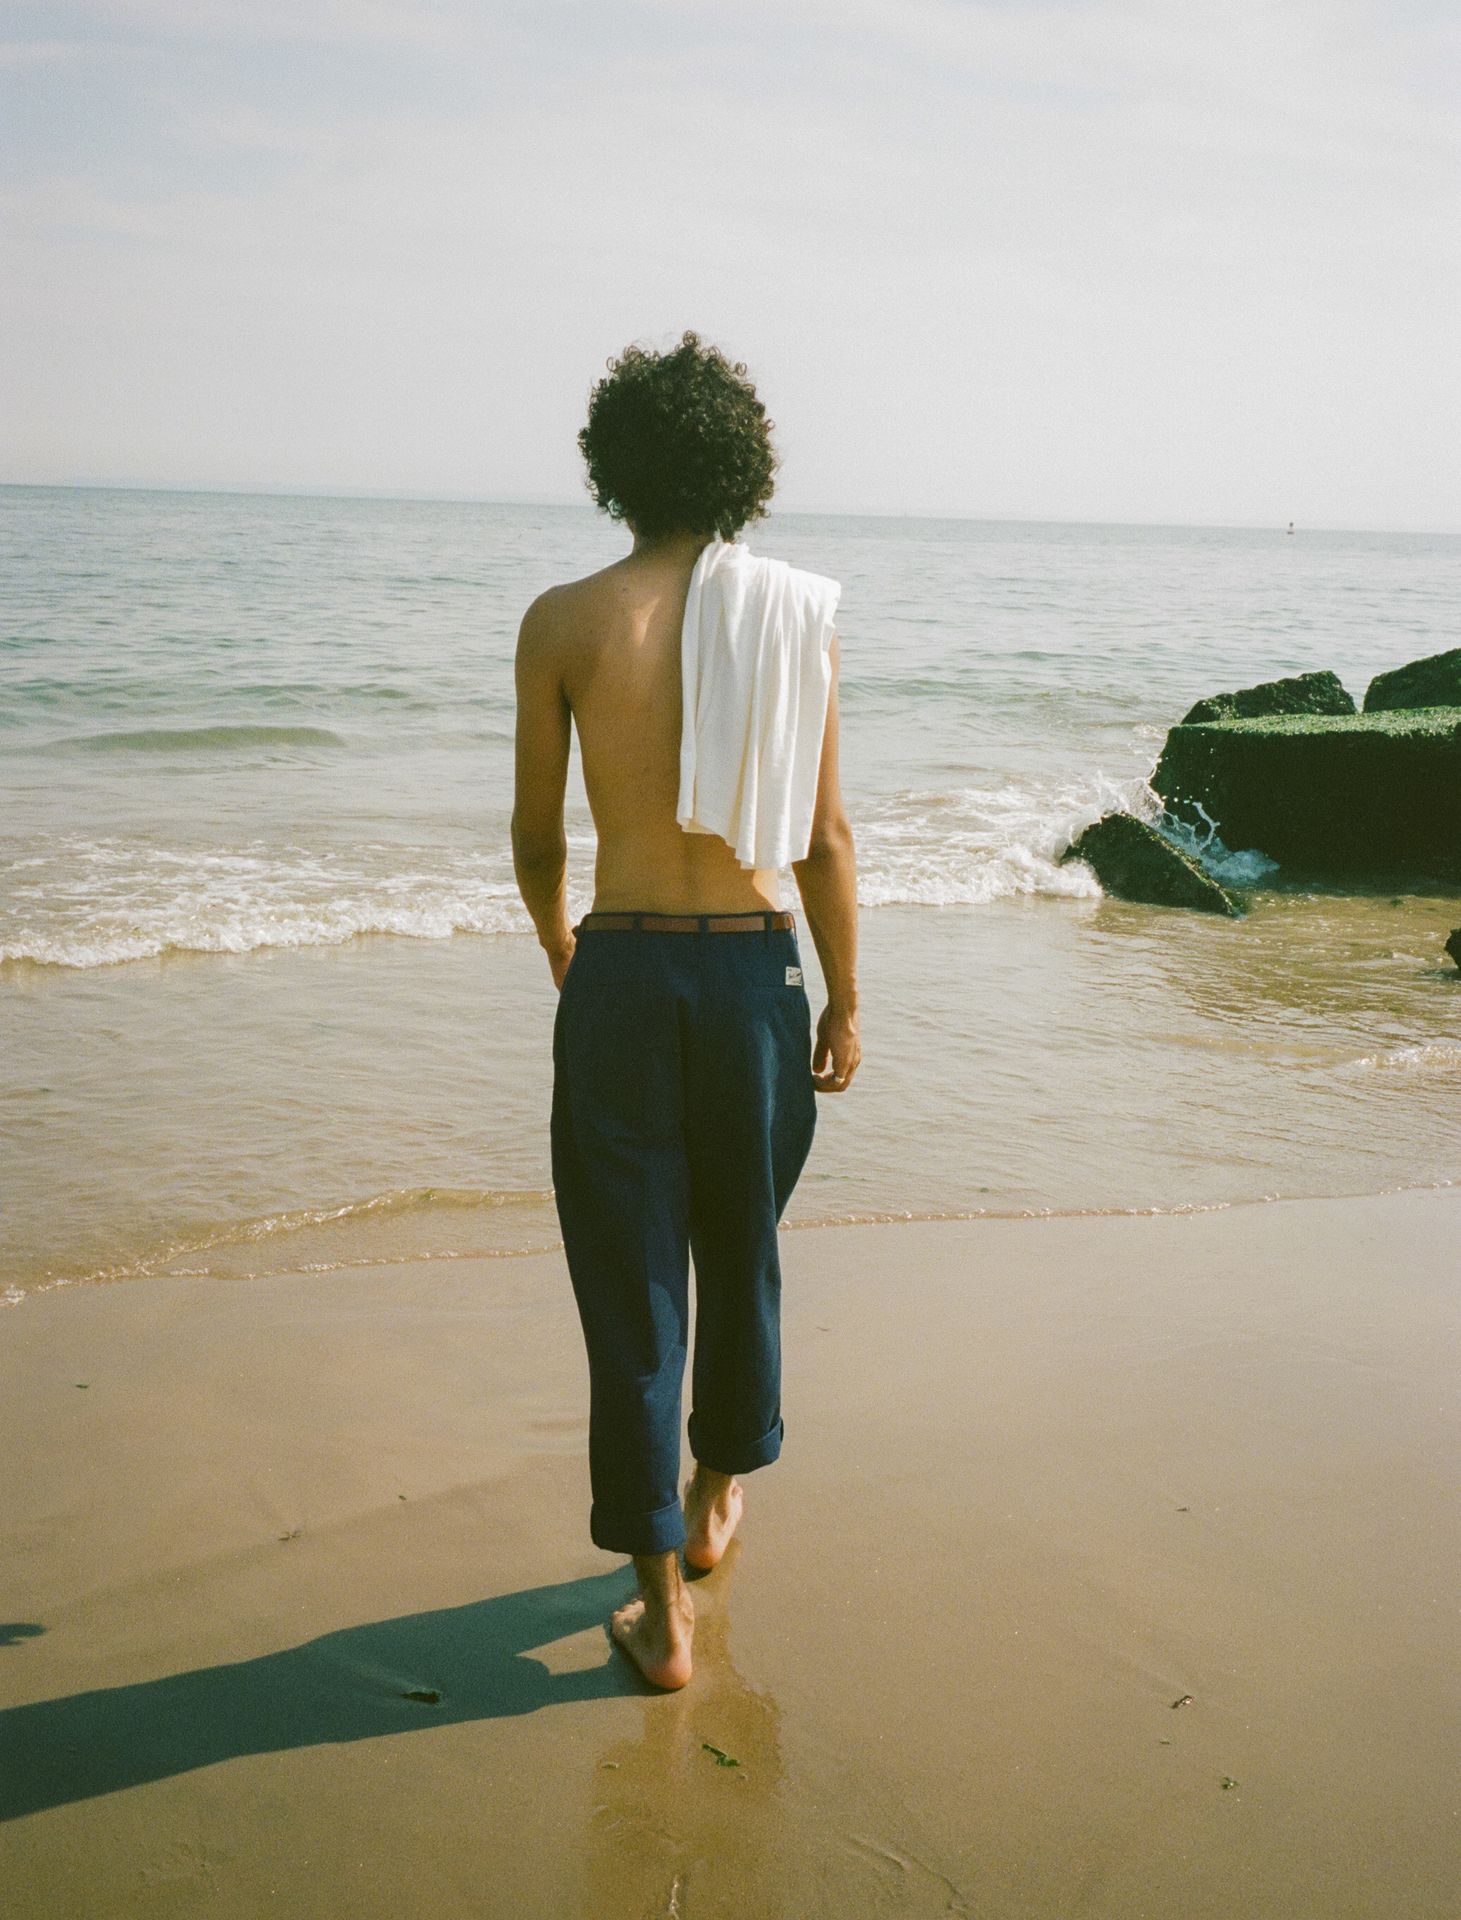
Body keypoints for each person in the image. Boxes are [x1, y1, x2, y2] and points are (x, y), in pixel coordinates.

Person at [512, 332, 860, 1689]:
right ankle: (721, 1491)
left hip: (623, 965)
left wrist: (561, 947)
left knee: (629, 1288)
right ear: (739, 464)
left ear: (613, 466)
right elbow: (824, 836)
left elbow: (536, 836)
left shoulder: (563, 620)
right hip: (753, 972)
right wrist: (844, 1000)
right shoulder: (794, 614)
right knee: (741, 1252)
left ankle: (661, 1616)